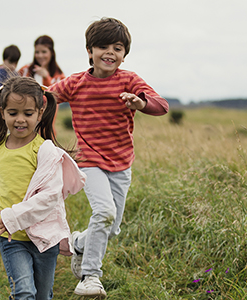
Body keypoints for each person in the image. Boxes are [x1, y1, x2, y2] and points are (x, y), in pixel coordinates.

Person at [48, 17, 169, 298]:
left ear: (124, 54)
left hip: (121, 163)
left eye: (117, 48)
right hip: (89, 159)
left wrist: (141, 102)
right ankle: (90, 277)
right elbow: (45, 97)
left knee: (111, 228)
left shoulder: (129, 80)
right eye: (103, 47)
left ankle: (78, 242)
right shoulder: (76, 83)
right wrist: (13, 93)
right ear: (90, 51)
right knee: (104, 213)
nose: (110, 53)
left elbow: (161, 105)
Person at [0, 77, 86, 300]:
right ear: (3, 112)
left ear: (40, 113)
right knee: (24, 291)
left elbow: (50, 196)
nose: (20, 120)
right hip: (11, 236)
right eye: (13, 113)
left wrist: (12, 217)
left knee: (42, 296)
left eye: (28, 113)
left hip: (45, 238)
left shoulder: (45, 151)